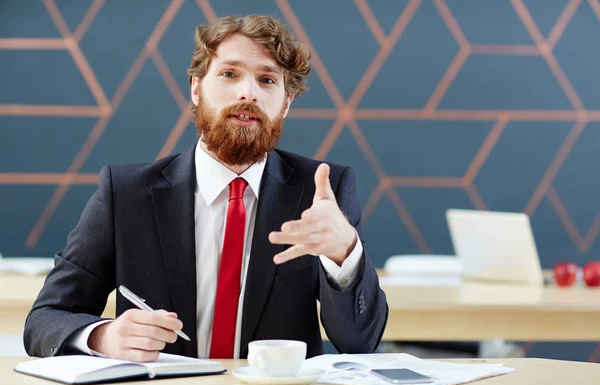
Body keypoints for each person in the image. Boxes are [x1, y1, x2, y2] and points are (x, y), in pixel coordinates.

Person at [24, 14, 388, 362]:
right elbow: (45, 319)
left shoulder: (323, 191)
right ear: (196, 88)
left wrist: (345, 253)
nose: (248, 93)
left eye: (267, 80)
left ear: (287, 102)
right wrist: (104, 337)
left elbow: (359, 342)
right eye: (230, 74)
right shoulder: (125, 194)